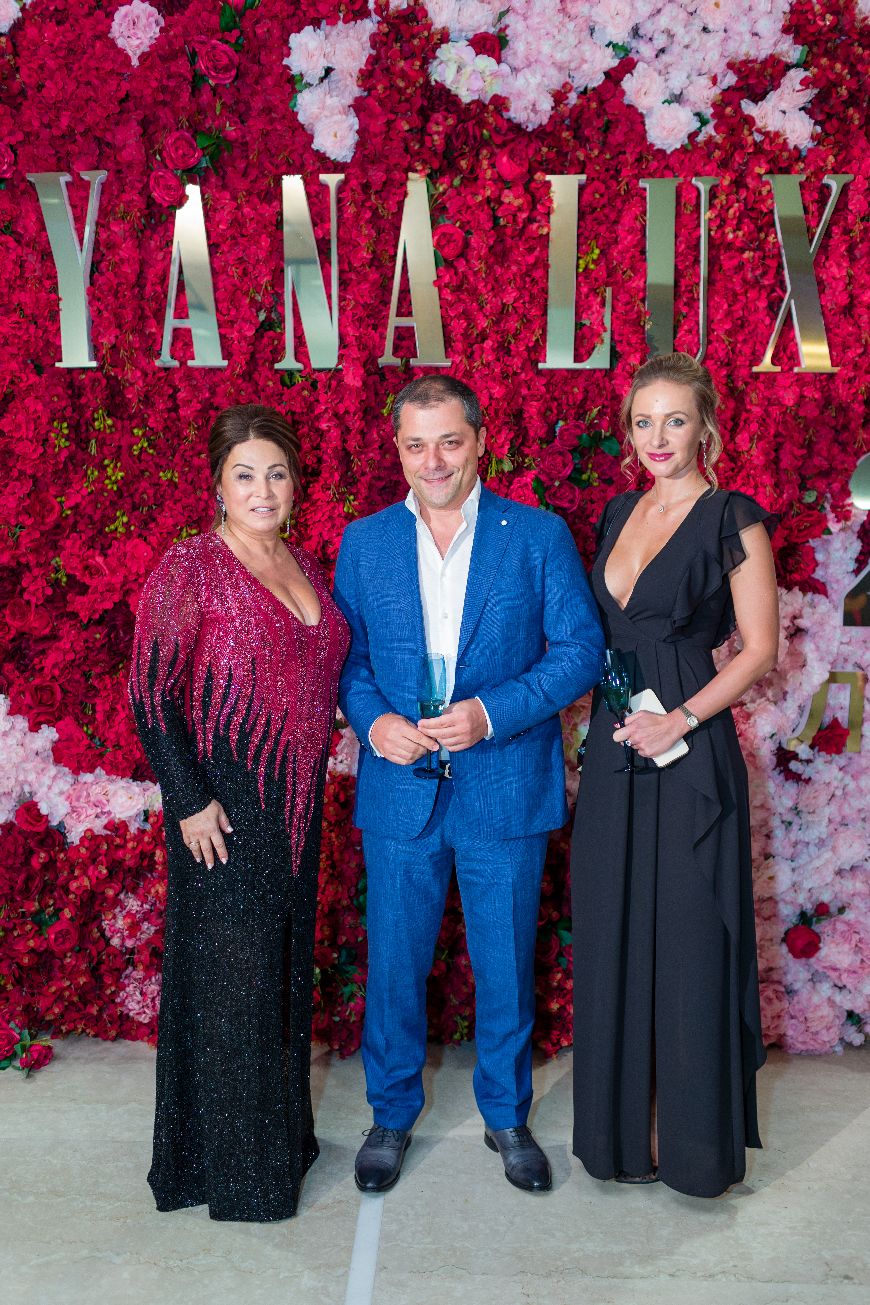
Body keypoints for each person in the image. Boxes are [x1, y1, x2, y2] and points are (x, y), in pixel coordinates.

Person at [334, 376, 604, 1195]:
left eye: (449, 441)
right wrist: (373, 721)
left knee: (505, 964)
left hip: (504, 784)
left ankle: (506, 1115)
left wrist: (490, 713)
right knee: (394, 966)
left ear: (481, 441)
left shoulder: (538, 535)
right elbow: (348, 661)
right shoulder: (365, 541)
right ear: (397, 449)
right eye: (416, 444)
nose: (434, 460)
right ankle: (390, 1114)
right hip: (400, 788)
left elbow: (579, 650)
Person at [129, 404, 349, 1221]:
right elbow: (150, 693)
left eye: (277, 473)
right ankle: (233, 1175)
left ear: (295, 483)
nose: (263, 489)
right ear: (218, 484)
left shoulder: (304, 564)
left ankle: (275, 1143)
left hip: (293, 813)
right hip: (222, 810)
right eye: (245, 474)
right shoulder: (190, 565)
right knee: (233, 989)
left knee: (278, 978)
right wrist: (188, 800)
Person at [570, 352, 779, 1198]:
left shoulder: (734, 515)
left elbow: (759, 649)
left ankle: (691, 1143)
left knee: (691, 941)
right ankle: (621, 1133)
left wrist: (681, 718)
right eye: (643, 421)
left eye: (676, 420)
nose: (658, 437)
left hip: (689, 748)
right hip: (616, 745)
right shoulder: (618, 511)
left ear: (706, 428)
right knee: (614, 929)